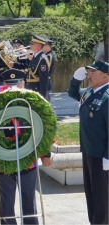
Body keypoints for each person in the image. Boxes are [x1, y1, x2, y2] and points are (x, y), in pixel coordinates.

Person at [0, 68, 52, 225]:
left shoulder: (34, 101)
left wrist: (46, 154)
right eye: (9, 85)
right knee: (7, 202)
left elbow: (46, 128)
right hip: (3, 158)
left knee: (29, 200)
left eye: (17, 85)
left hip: (27, 157)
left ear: (24, 83)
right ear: (4, 84)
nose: (13, 89)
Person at [67, 60, 109, 224]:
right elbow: (72, 92)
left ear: (105, 76)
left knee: (101, 197)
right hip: (88, 151)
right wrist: (76, 80)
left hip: (101, 156)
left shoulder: (106, 97)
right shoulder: (90, 92)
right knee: (91, 194)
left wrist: (108, 156)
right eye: (88, 72)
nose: (89, 75)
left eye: (93, 72)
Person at [8, 35, 51, 101]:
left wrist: (42, 97)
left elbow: (44, 80)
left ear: (39, 45)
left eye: (32, 44)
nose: (30, 45)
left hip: (37, 90)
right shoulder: (34, 57)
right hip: (31, 89)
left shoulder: (42, 59)